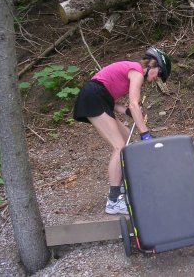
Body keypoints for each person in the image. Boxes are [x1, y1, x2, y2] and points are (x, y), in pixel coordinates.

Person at [73, 47, 171, 214]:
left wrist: (127, 112)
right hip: (93, 96)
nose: (157, 79)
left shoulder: (132, 71)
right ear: (153, 65)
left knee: (126, 138)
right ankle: (113, 200)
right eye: (159, 74)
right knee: (120, 146)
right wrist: (145, 134)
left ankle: (127, 185)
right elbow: (134, 104)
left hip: (99, 97)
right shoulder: (138, 72)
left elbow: (111, 101)